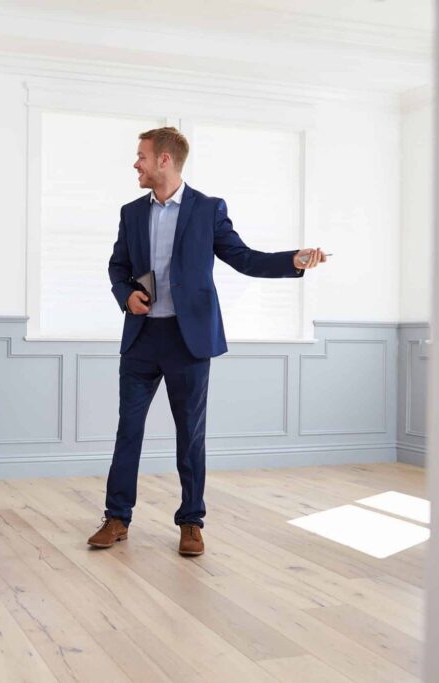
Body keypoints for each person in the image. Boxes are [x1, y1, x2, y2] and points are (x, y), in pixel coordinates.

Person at [87, 127, 327, 556]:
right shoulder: (131, 213)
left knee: (190, 436)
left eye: (141, 156)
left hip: (189, 341)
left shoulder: (207, 210)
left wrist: (292, 261)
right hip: (142, 340)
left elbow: (245, 258)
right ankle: (117, 517)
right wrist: (126, 295)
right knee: (129, 430)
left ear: (164, 160)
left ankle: (191, 522)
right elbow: (117, 266)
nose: (136, 164)